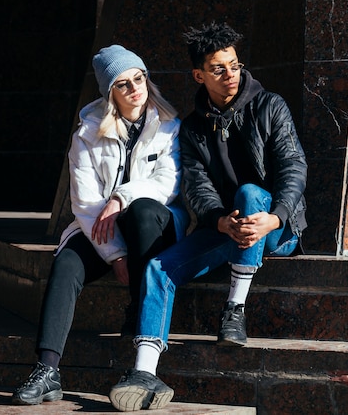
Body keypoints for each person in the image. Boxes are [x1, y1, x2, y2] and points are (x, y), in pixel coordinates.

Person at [108, 21, 307, 412]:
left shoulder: (270, 106)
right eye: (218, 69)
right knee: (157, 269)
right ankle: (145, 370)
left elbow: (293, 167)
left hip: (276, 228)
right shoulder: (193, 127)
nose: (230, 75)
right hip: (225, 226)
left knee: (251, 194)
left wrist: (277, 217)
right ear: (199, 75)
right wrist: (218, 220)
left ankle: (235, 309)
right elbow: (196, 186)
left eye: (234, 65)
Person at [11, 45, 189, 406]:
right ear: (110, 93)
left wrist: (121, 197)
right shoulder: (87, 134)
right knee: (66, 263)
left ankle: (139, 312)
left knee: (140, 211)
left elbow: (168, 185)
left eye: (139, 78)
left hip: (156, 221)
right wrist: (116, 257)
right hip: (100, 226)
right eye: (123, 84)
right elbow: (85, 203)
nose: (135, 88)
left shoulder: (169, 125)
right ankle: (47, 370)